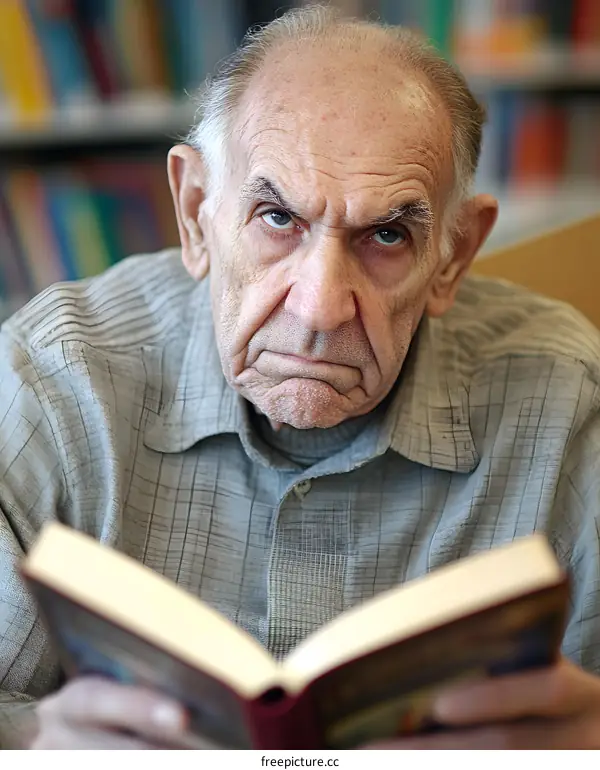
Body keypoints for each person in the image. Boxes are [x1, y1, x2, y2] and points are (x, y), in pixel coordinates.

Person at [1, 5, 599, 750]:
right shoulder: (54, 379)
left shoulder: (567, 399)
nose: (319, 308)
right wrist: (33, 749)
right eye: (278, 218)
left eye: (387, 235)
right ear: (195, 215)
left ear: (451, 257)